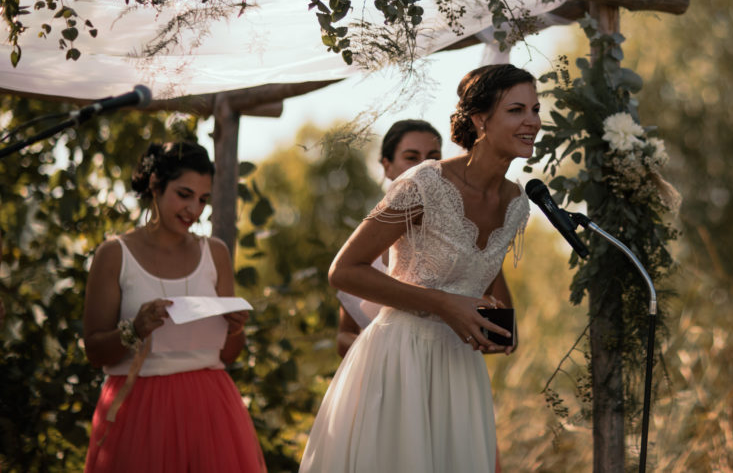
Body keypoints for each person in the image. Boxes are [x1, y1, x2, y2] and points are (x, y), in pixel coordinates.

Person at [300, 63, 539, 473]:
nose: (532, 122)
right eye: (516, 110)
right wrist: (445, 304)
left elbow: (486, 288)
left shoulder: (518, 203)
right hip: (399, 360)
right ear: (480, 119)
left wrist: (496, 330)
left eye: (535, 109)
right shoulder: (424, 183)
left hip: (460, 370)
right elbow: (344, 270)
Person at [82, 141, 266, 473]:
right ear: (155, 185)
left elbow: (228, 355)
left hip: (211, 408)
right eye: (184, 195)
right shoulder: (114, 255)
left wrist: (235, 329)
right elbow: (94, 352)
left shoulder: (216, 253)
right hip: (138, 409)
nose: (194, 210)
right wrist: (134, 329)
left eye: (203, 200)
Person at [335, 118, 444, 357]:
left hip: (442, 364)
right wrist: (381, 352)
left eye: (433, 157)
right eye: (412, 158)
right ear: (387, 166)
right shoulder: (364, 248)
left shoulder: (456, 238)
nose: (424, 167)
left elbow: (503, 326)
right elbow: (344, 334)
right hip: (380, 372)